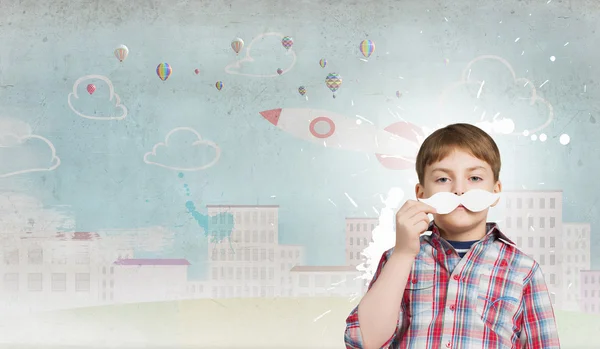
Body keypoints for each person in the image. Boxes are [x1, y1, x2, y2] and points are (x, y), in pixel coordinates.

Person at [344, 123, 560, 349]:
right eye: (443, 179)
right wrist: (403, 253)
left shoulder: (523, 270)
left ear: (495, 192)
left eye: (474, 178)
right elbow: (364, 342)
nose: (459, 189)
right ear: (421, 194)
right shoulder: (397, 259)